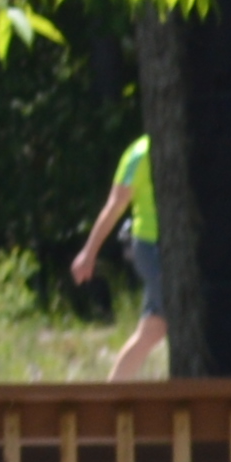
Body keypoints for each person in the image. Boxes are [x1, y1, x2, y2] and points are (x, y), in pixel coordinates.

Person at [69, 128, 168, 379]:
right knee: (183, 316)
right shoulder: (140, 154)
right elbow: (115, 205)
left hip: (176, 248)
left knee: (153, 329)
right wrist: (89, 253)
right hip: (151, 247)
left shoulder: (191, 143)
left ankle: (112, 395)